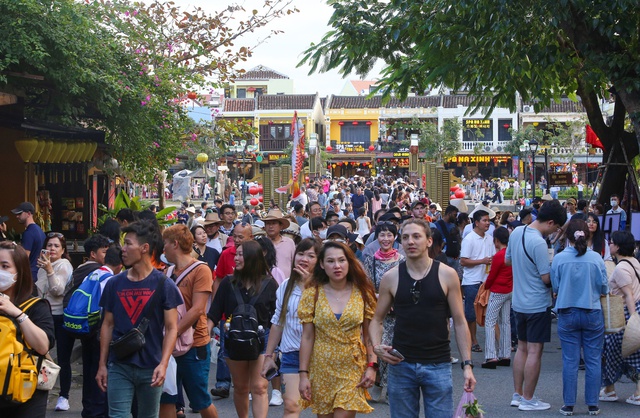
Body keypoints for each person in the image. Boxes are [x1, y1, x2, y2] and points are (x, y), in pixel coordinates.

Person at [370, 219, 476, 417]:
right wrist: (377, 347)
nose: (410, 242)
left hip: (438, 364)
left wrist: (467, 365)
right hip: (400, 364)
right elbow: (376, 319)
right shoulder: (391, 277)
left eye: (416, 236)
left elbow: (460, 322)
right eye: (406, 237)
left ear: (429, 241)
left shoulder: (447, 275)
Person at [96, 220, 183, 418]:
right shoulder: (114, 283)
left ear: (144, 248)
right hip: (119, 365)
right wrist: (102, 364)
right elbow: (107, 324)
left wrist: (163, 363)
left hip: (151, 366)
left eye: (128, 244)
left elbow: (171, 328)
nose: (122, 250)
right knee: (118, 415)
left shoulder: (164, 284)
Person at [298, 241, 378, 416]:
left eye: (342, 260)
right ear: (321, 264)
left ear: (349, 262)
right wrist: (303, 374)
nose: (337, 266)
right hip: (321, 368)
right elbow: (307, 337)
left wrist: (372, 365)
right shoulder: (312, 293)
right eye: (330, 261)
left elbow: (370, 335)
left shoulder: (363, 293)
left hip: (352, 367)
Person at [505, 199, 567, 411]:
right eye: (556, 227)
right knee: (534, 351)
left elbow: (508, 260)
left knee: (521, 348)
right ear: (550, 222)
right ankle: (529, 399)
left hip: (519, 301)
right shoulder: (539, 243)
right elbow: (545, 278)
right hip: (537, 303)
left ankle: (518, 394)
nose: (555, 232)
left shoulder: (516, 232)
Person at [207, 240, 278, 418]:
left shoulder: (270, 284)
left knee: (260, 386)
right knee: (240, 387)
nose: (236, 258)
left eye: (240, 254)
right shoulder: (227, 283)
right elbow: (215, 312)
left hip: (262, 340)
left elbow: (277, 318)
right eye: (236, 254)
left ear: (252, 258)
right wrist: (203, 335)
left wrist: (276, 347)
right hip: (233, 339)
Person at [159, 225, 218, 418]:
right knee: (166, 397)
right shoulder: (167, 272)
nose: (163, 249)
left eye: (165, 244)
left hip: (195, 344)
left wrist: (172, 333)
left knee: (200, 399)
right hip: (170, 345)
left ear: (174, 244)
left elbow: (198, 309)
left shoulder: (201, 270)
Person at [551, 219, 607, 416]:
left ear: (568, 236)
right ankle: (593, 404)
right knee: (593, 359)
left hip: (567, 311)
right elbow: (604, 287)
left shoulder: (559, 258)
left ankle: (569, 405)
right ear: (587, 235)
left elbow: (555, 286)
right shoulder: (596, 259)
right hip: (592, 311)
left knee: (570, 360)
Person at [260, 238, 321, 418]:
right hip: (291, 353)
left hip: (322, 353)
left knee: (324, 409)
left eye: (311, 255)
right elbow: (278, 322)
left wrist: (309, 285)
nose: (304, 259)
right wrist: (269, 355)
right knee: (292, 405)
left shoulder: (326, 286)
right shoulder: (286, 286)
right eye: (301, 254)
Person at [0, 242, 55, 417]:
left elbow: (43, 346)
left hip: (27, 393)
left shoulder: (36, 306)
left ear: (20, 270)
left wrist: (17, 313)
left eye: (5, 266)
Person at [78, 245, 123, 418]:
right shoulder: (111, 280)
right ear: (120, 264)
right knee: (100, 370)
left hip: (85, 329)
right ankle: (97, 411)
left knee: (89, 370)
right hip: (99, 332)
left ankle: (88, 409)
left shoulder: (94, 274)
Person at [362, 222, 405, 401]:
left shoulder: (402, 260)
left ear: (395, 237)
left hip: (399, 313)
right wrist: (380, 299)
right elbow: (366, 287)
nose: (385, 239)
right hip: (379, 312)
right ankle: (385, 386)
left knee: (397, 348)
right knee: (382, 347)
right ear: (376, 237)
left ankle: (391, 388)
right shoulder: (370, 260)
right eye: (382, 235)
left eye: (389, 235)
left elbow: (405, 285)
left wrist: (395, 299)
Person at [35, 232, 74, 411]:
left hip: (59, 316)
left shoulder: (63, 264)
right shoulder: (44, 265)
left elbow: (58, 290)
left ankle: (64, 396)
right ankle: (40, 389)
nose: (52, 249)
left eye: (56, 246)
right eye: (49, 245)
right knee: (41, 353)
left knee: (63, 357)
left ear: (63, 249)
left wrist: (50, 270)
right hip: (43, 315)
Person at [600, 230, 640, 406]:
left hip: (623, 314)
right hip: (636, 310)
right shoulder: (635, 262)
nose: (609, 244)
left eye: (612, 242)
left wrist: (633, 320)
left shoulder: (622, 267)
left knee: (610, 352)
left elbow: (628, 295)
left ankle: (610, 389)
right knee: (636, 354)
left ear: (617, 246)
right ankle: (637, 392)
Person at [460, 210, 495, 353]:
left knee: (490, 313)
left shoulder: (489, 238)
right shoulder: (469, 239)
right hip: (472, 281)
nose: (487, 223)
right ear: (476, 222)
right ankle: (473, 341)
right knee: (471, 314)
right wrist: (482, 261)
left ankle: (492, 343)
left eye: (488, 221)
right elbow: (463, 261)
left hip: (486, 281)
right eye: (485, 220)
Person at [482, 227, 513, 369]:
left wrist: (485, 286)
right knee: (505, 322)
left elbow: (492, 275)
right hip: (509, 289)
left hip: (497, 290)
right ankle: (505, 354)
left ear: (496, 240)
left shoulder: (499, 256)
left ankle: (491, 355)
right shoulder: (511, 253)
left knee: (490, 321)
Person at [11, 201, 45, 287]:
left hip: (30, 275)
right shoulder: (39, 230)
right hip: (39, 273)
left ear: (28, 213)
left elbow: (24, 258)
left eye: (19, 213)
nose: (17, 216)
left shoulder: (28, 233)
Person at [263, 208, 296, 278]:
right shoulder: (261, 243)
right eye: (268, 223)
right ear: (265, 226)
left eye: (274, 223)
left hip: (286, 285)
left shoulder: (289, 243)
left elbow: (294, 264)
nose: (271, 226)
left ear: (281, 226)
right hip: (266, 286)